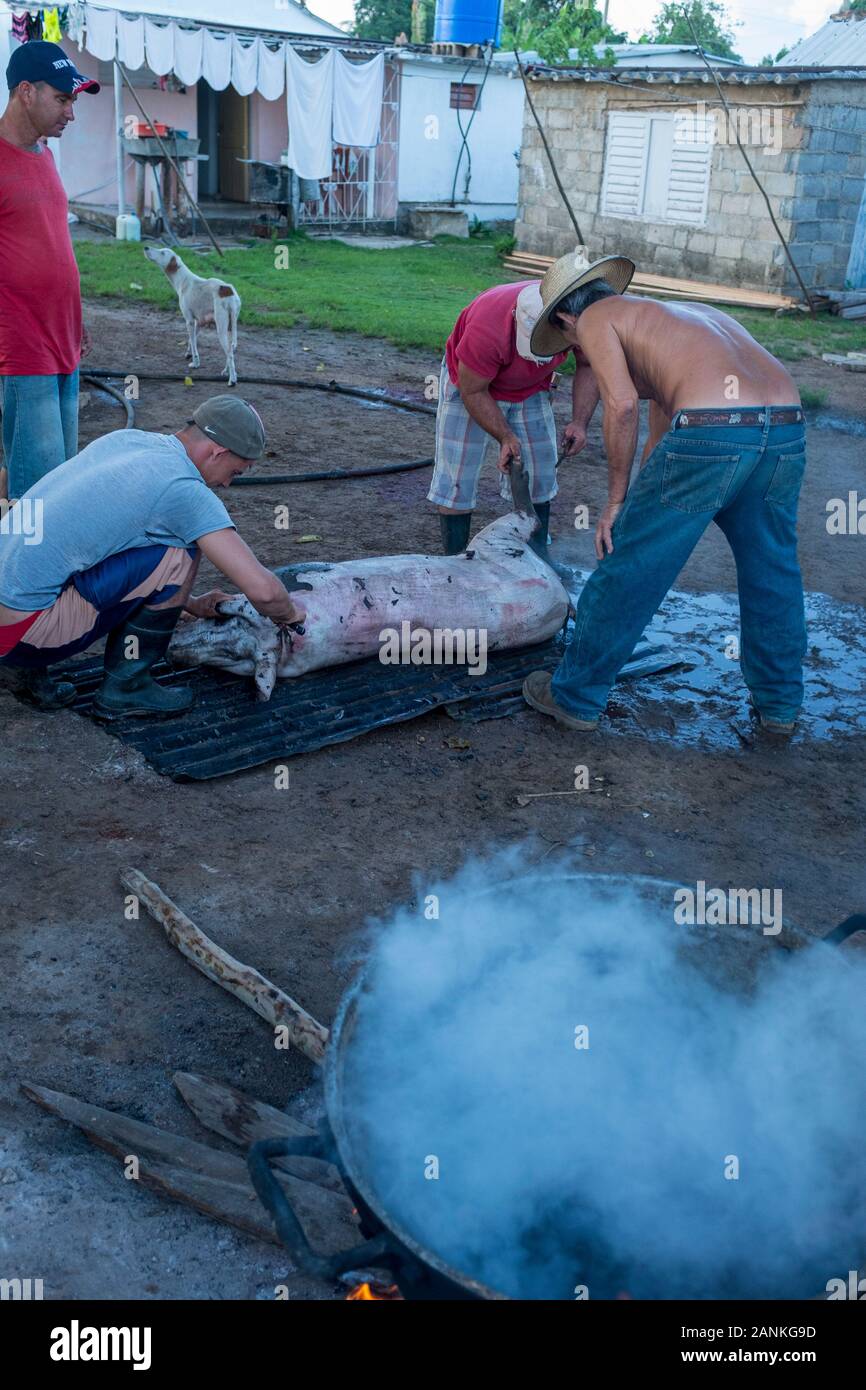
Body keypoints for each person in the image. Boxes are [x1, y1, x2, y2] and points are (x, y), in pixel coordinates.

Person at [521, 252, 806, 736]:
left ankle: (573, 697)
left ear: (566, 316)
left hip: (712, 432)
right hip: (784, 427)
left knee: (629, 563)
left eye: (569, 342)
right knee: (772, 567)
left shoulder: (593, 319)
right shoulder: (674, 320)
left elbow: (624, 404)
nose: (578, 350)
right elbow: (665, 423)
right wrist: (640, 503)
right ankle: (779, 707)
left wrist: (615, 505)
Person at [0, 396, 305, 716]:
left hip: (11, 605)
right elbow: (264, 592)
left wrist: (192, 602)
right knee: (180, 550)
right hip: (21, 633)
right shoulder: (185, 491)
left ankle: (22, 666)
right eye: (236, 472)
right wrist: (292, 616)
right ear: (218, 452)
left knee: (91, 550)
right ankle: (127, 687)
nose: (228, 483)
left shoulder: (127, 441)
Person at [428, 255, 634, 554]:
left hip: (531, 387)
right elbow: (474, 392)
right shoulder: (487, 327)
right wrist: (505, 436)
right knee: (457, 478)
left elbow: (588, 365)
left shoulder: (587, 313)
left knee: (540, 473)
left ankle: (536, 556)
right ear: (564, 322)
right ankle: (455, 560)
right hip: (471, 385)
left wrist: (579, 421)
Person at [0, 39, 99, 498]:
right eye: (62, 99)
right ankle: (27, 572)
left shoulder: (46, 156)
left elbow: (52, 244)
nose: (70, 113)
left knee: (58, 482)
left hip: (64, 342)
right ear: (26, 91)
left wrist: (76, 317)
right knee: (37, 494)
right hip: (22, 350)